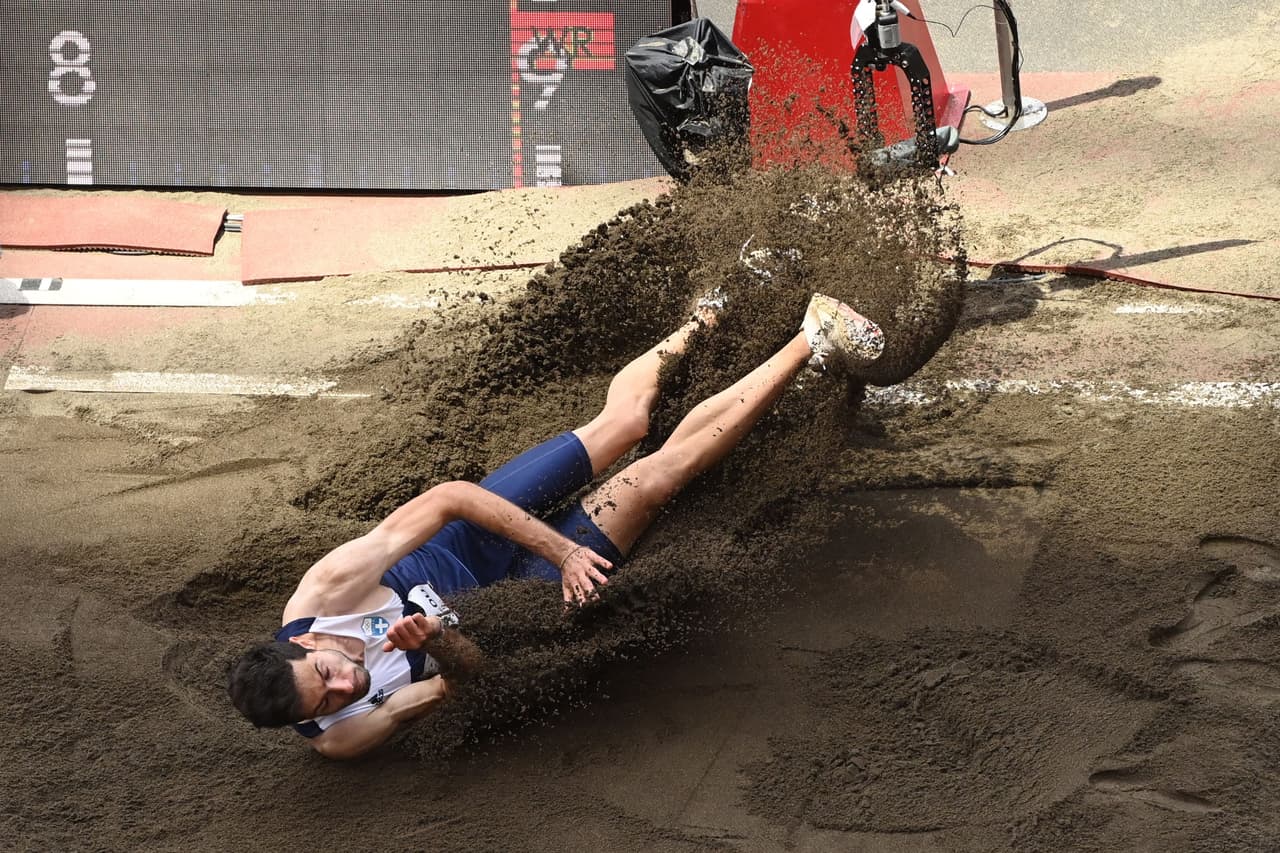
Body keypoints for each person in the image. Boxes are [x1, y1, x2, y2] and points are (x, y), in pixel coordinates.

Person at [227, 291, 884, 759]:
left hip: (470, 535)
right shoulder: (344, 733)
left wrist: (565, 548)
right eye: (325, 701)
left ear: (309, 640)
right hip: (510, 599)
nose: (347, 685)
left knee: (624, 426)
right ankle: (812, 338)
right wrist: (437, 639)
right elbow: (473, 680)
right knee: (649, 481)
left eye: (328, 673)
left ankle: (711, 310)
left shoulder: (328, 591)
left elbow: (452, 497)